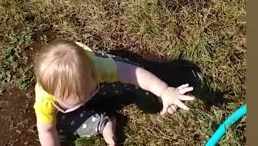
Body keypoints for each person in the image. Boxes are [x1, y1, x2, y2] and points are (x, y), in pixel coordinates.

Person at [33, 40, 194, 146]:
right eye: (76, 102)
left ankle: (158, 96)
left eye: (89, 93)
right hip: (87, 90)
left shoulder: (98, 67)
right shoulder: (45, 102)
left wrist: (164, 91)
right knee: (57, 127)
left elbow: (133, 73)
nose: (86, 100)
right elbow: (46, 130)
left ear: (93, 75)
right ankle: (103, 123)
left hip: (106, 79)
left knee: (136, 77)